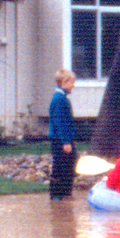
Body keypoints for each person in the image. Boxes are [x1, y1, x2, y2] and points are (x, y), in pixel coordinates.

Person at [47, 68, 78, 200]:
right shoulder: (60, 99)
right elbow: (60, 122)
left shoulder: (61, 98)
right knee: (61, 167)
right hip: (60, 141)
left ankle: (64, 194)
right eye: (71, 82)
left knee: (68, 165)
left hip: (64, 139)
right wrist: (66, 142)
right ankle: (58, 195)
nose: (73, 85)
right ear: (64, 82)